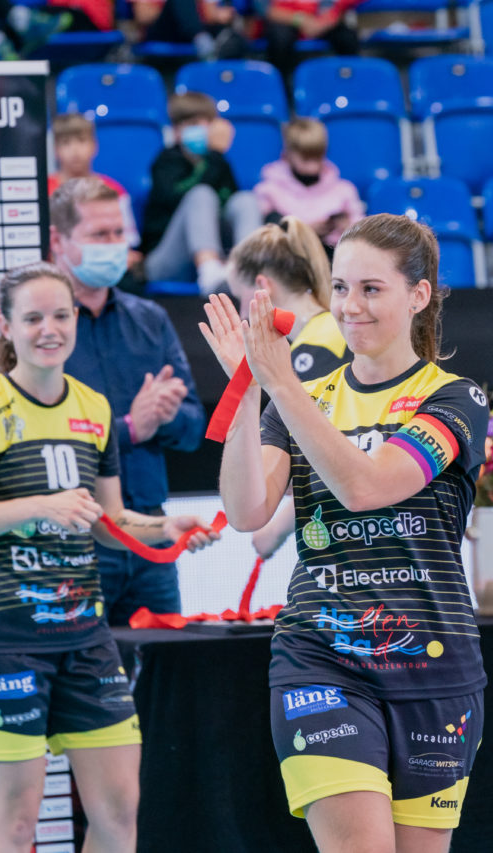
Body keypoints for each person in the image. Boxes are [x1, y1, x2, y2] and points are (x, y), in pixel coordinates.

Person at [203, 213, 489, 849]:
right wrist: (249, 391)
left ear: (418, 296)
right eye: (338, 288)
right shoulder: (300, 396)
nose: (349, 307)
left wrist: (279, 381)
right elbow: (247, 510)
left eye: (370, 289)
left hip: (434, 666)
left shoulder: (455, 398)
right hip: (321, 658)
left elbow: (367, 487)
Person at [0, 261, 217, 852]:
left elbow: (109, 522)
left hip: (86, 641)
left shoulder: (93, 411)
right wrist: (38, 505)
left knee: (118, 815)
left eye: (60, 315)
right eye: (32, 317)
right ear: (6, 326)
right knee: (16, 821)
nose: (49, 329)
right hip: (5, 639)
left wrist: (167, 526)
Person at [51, 177, 206, 623]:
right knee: (84, 683)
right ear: (59, 241)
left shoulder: (149, 319)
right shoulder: (46, 331)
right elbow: (45, 442)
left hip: (153, 535)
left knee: (165, 678)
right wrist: (131, 428)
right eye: (100, 235)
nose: (114, 245)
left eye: (119, 233)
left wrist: (167, 415)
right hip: (76, 540)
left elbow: (194, 428)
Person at [217, 215, 350, 560]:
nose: (241, 311)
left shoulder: (317, 347)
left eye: (239, 297)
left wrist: (277, 527)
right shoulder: (322, 334)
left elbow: (341, 452)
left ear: (262, 285)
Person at [142, 92, 263, 294]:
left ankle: (247, 272)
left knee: (245, 200)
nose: (204, 129)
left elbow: (228, 202)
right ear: (176, 130)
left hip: (223, 257)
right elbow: (179, 200)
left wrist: (215, 158)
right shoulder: (165, 163)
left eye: (208, 122)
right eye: (194, 123)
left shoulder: (218, 161)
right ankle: (210, 275)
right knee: (201, 194)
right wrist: (215, 155)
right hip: (166, 262)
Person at [253, 118, 365, 255]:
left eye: (317, 157)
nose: (312, 164)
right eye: (305, 158)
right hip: (289, 258)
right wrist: (305, 231)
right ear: (288, 154)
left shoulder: (344, 189)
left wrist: (347, 227)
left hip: (335, 256)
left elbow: (361, 232)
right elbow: (264, 236)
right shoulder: (268, 190)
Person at [48, 114, 142, 265]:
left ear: (94, 145)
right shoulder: (43, 191)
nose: (75, 150)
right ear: (55, 150)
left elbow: (127, 243)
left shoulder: (114, 190)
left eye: (82, 141)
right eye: (66, 143)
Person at [259, 0, 359, 81]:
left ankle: (349, 85)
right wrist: (302, 20)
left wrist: (321, 23)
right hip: (285, 22)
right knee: (280, 39)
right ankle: (282, 90)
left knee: (346, 37)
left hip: (320, 22)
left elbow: (336, 7)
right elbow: (264, 9)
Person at [131, 0, 244, 58]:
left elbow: (211, 15)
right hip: (162, 32)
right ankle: (203, 42)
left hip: (193, 31)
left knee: (231, 36)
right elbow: (143, 17)